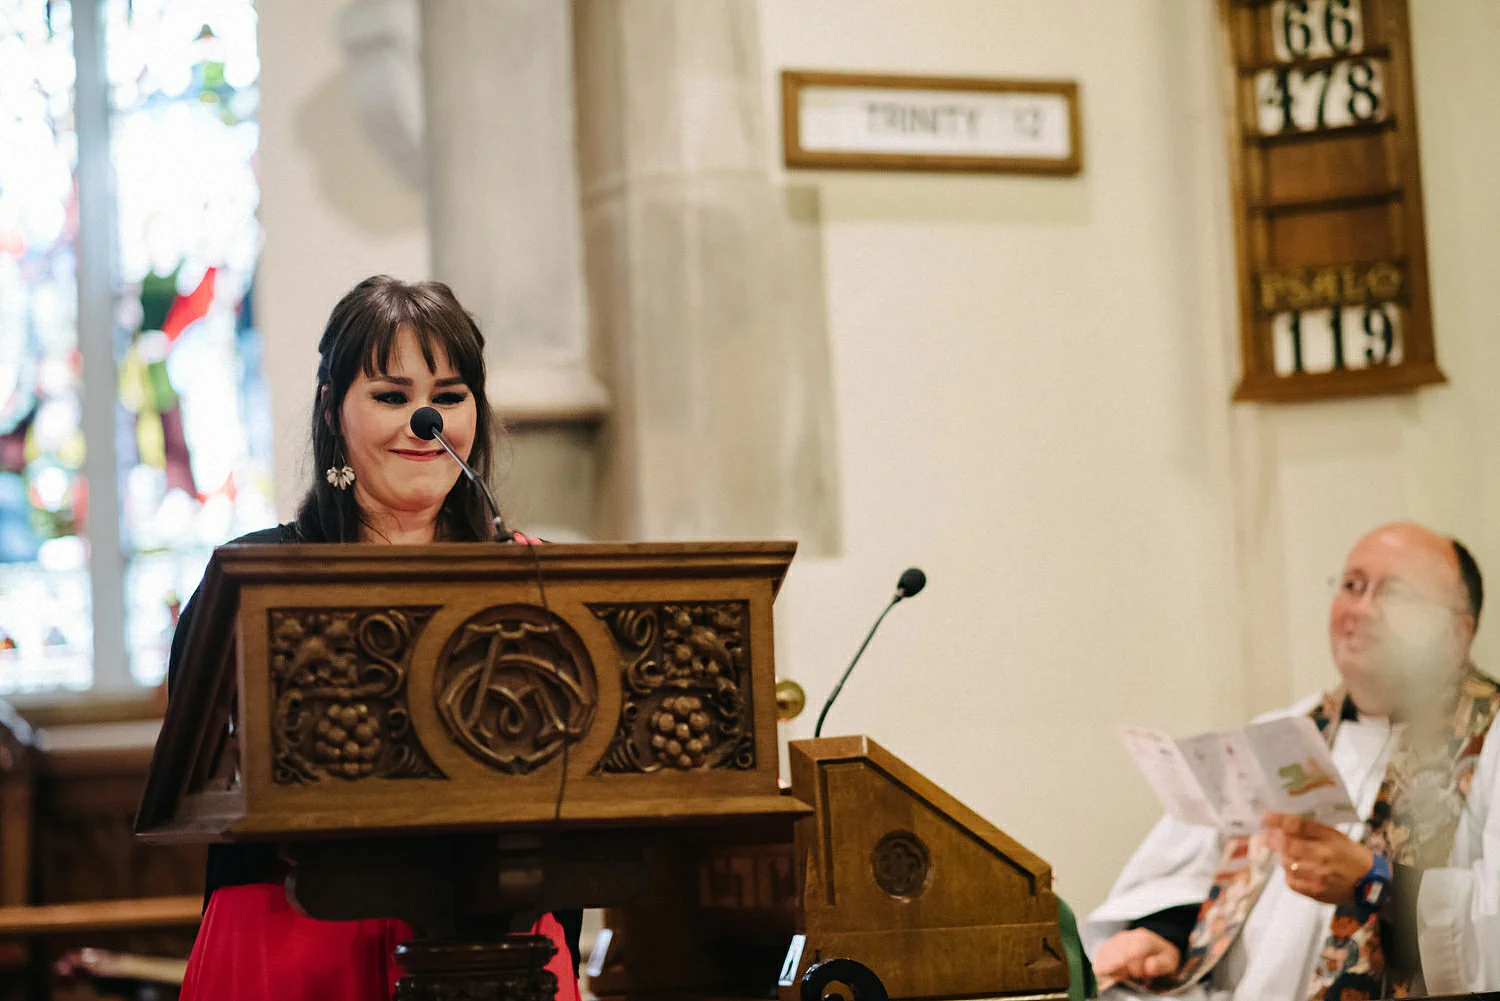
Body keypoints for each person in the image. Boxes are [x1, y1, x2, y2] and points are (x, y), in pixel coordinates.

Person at [168, 276, 582, 1001]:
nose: (426, 419)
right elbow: (207, 776)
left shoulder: (536, 575)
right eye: (392, 396)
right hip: (295, 931)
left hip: (503, 937)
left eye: (449, 396)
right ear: (334, 412)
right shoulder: (255, 581)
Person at [1085, 522, 1500, 1001]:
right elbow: (1191, 869)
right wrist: (1162, 935)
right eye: (1352, 586)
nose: (1361, 610)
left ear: (1458, 630)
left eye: (1395, 592)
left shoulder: (1490, 744)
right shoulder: (1281, 733)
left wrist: (1377, 883)